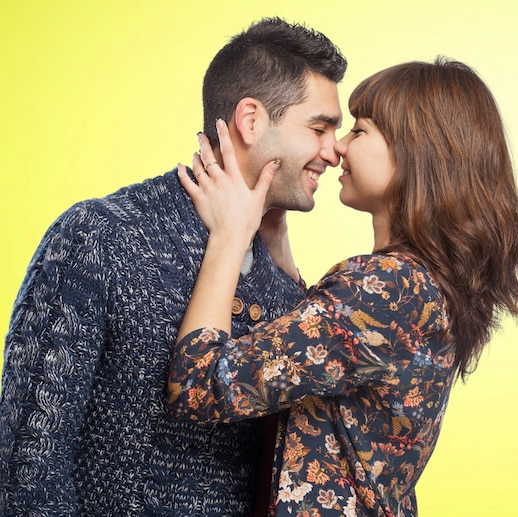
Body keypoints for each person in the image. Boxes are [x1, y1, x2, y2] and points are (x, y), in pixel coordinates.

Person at [0, 18, 346, 515]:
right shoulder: (102, 236)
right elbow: (28, 465)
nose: (333, 152)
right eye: (319, 128)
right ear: (251, 121)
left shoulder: (284, 284)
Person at [167, 58, 518, 516]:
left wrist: (228, 236)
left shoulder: (384, 287)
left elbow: (198, 386)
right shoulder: (418, 284)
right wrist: (278, 246)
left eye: (359, 131)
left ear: (416, 152)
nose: (338, 147)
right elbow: (330, 366)